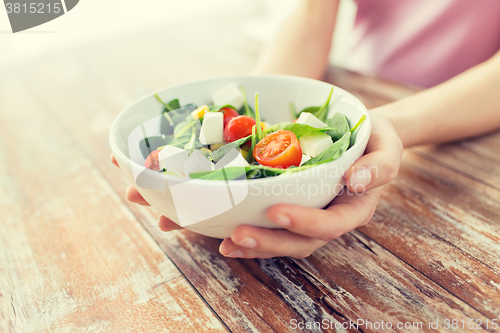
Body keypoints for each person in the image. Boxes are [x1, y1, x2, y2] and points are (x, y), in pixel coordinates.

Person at [115, 0, 500, 259]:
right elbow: (314, 15)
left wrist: (380, 130)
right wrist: (252, 124)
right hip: (355, 87)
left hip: (474, 137)